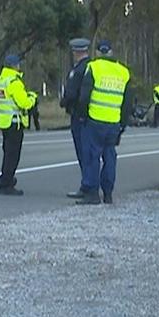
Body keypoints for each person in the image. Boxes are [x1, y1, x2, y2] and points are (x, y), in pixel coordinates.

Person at [76, 39, 134, 206]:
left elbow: (85, 95)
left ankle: (92, 193)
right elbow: (127, 102)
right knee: (110, 156)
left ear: (99, 52)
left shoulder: (94, 68)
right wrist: (123, 123)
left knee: (92, 157)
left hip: (94, 120)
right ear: (111, 52)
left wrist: (81, 115)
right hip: (113, 122)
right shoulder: (123, 72)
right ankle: (108, 193)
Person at [0, 53, 37, 196]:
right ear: (15, 66)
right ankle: (6, 183)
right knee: (13, 155)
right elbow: (24, 103)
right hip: (15, 123)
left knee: (7, 153)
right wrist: (33, 98)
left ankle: (6, 179)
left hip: (4, 122)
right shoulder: (14, 82)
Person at [60, 37, 91, 198]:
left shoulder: (78, 70)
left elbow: (71, 93)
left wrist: (63, 102)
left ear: (76, 52)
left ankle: (86, 186)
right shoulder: (92, 67)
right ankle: (90, 184)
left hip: (78, 114)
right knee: (90, 152)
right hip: (91, 114)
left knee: (83, 151)